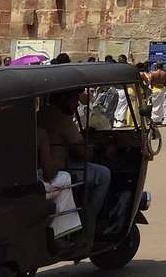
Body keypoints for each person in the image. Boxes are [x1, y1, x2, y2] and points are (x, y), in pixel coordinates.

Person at [38, 90, 112, 238]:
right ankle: (89, 222)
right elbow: (84, 153)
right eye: (74, 98)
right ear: (63, 98)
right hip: (56, 170)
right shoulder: (61, 119)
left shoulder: (40, 115)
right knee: (103, 174)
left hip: (44, 168)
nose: (77, 102)